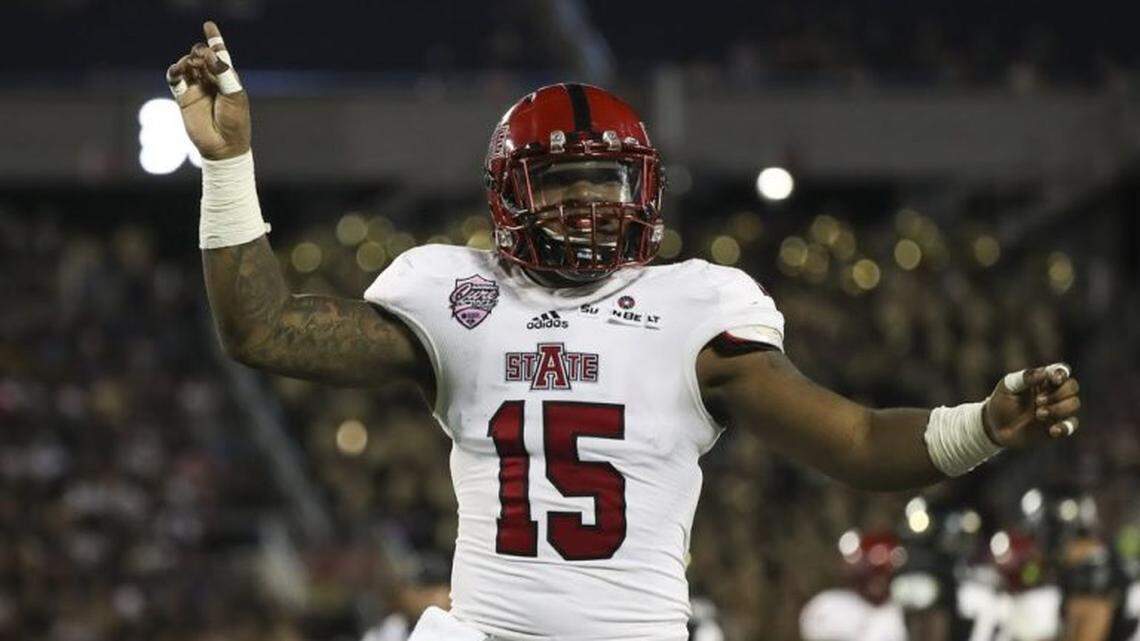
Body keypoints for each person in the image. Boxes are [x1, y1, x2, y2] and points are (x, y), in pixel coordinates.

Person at [167, 22, 1085, 641]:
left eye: (601, 183)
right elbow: (267, 331)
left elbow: (855, 439)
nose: (582, 204)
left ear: (640, 191)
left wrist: (986, 424)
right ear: (509, 195)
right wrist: (229, 166)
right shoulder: (457, 294)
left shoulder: (695, 312)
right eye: (558, 183)